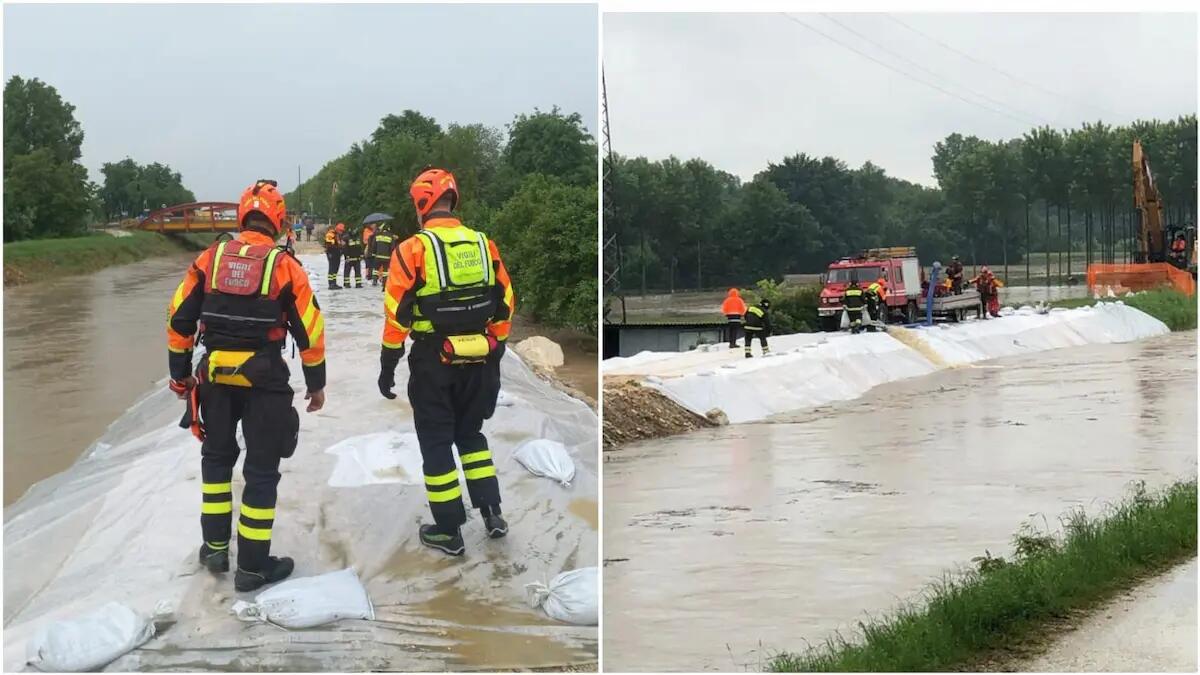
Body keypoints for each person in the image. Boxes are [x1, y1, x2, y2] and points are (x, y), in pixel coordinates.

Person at [165, 179, 326, 592]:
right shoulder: (284, 266)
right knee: (260, 472)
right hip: (266, 378)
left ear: (242, 216)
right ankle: (253, 567)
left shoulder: (209, 258)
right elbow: (309, 329)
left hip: (216, 376)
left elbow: (179, 318)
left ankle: (215, 548)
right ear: (278, 219)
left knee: (217, 462)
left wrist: (179, 372)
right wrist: (316, 384)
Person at [377, 167, 516, 557]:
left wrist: (388, 364)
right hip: (481, 356)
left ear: (422, 204)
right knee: (471, 436)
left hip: (433, 360)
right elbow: (506, 300)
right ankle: (493, 514)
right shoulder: (483, 243)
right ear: (453, 200)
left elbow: (396, 314)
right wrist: (497, 348)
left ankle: (448, 531)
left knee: (437, 442)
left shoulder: (412, 249)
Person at [367, 223, 396, 287]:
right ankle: (385, 282)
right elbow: (393, 247)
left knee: (376, 269)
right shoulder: (391, 236)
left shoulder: (378, 235)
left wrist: (374, 254)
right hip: (387, 257)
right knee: (385, 271)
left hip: (378, 256)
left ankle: (374, 281)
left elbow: (374, 245)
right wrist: (391, 255)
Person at [324, 223, 345, 290]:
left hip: (337, 253)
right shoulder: (330, 234)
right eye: (340, 230)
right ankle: (331, 284)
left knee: (335, 269)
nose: (341, 232)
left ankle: (334, 283)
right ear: (337, 229)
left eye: (342, 231)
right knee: (332, 268)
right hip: (332, 253)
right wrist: (339, 246)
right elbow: (329, 245)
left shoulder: (337, 235)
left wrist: (341, 246)